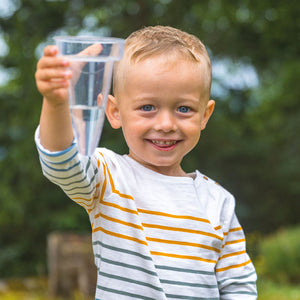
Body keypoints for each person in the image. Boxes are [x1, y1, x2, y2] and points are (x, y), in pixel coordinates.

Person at [35, 25, 257, 299]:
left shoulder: (219, 203)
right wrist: (56, 104)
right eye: (147, 107)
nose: (165, 124)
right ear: (115, 112)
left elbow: (239, 286)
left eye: (183, 109)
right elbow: (61, 163)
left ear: (205, 115)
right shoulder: (109, 176)